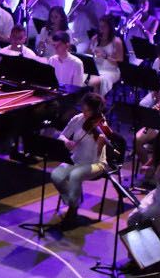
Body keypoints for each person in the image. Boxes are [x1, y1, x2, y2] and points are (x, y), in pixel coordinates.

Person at [45, 93, 111, 232]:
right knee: (56, 175)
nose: (84, 113)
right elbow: (62, 135)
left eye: (88, 111)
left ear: (96, 111)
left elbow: (102, 152)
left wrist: (101, 143)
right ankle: (72, 202)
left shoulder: (101, 125)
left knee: (75, 175)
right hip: (76, 160)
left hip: (96, 164)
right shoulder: (77, 119)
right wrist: (67, 142)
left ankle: (72, 211)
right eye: (83, 109)